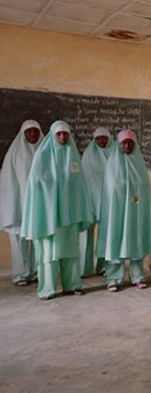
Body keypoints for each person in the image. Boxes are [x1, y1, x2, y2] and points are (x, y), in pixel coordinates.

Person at [21, 120, 93, 300]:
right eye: (59, 134)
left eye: (66, 134)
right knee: (49, 254)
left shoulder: (73, 155)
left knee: (70, 252)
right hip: (48, 217)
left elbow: (81, 186)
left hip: (69, 215)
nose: (62, 137)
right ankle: (48, 288)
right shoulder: (42, 157)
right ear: (52, 136)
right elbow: (35, 185)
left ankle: (73, 285)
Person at [97, 129, 151, 292]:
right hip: (117, 211)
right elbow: (111, 189)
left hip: (135, 209)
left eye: (130, 142)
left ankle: (138, 276)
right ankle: (114, 278)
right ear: (119, 144)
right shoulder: (112, 163)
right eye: (124, 143)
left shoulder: (139, 162)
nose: (127, 145)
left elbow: (144, 187)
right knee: (115, 238)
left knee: (135, 238)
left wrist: (137, 197)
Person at [0, 120, 43, 286]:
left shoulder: (44, 150)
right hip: (19, 205)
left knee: (37, 239)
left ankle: (36, 272)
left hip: (39, 205)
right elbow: (9, 182)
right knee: (19, 241)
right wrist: (13, 205)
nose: (32, 134)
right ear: (23, 133)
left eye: (35, 131)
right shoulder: (15, 153)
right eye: (29, 131)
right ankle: (21, 274)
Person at [79, 127, 113, 278]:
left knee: (106, 234)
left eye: (104, 138)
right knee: (86, 234)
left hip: (109, 200)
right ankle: (84, 269)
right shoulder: (88, 154)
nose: (102, 141)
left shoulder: (115, 154)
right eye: (98, 138)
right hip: (89, 201)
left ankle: (104, 266)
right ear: (94, 140)